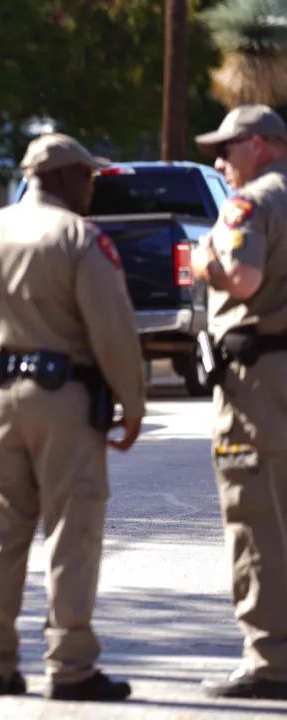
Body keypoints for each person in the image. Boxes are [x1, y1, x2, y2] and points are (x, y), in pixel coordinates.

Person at [0, 134, 145, 701]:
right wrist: (133, 405)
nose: (91, 186)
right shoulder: (79, 238)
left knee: (2, 531)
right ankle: (70, 667)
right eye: (87, 177)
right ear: (66, 178)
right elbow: (114, 334)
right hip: (66, 401)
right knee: (72, 532)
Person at [191, 105, 287, 701]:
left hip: (260, 383)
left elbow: (243, 280)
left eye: (229, 147)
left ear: (262, 145)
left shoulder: (251, 205)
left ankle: (269, 661)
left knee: (255, 516)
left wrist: (206, 264)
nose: (220, 161)